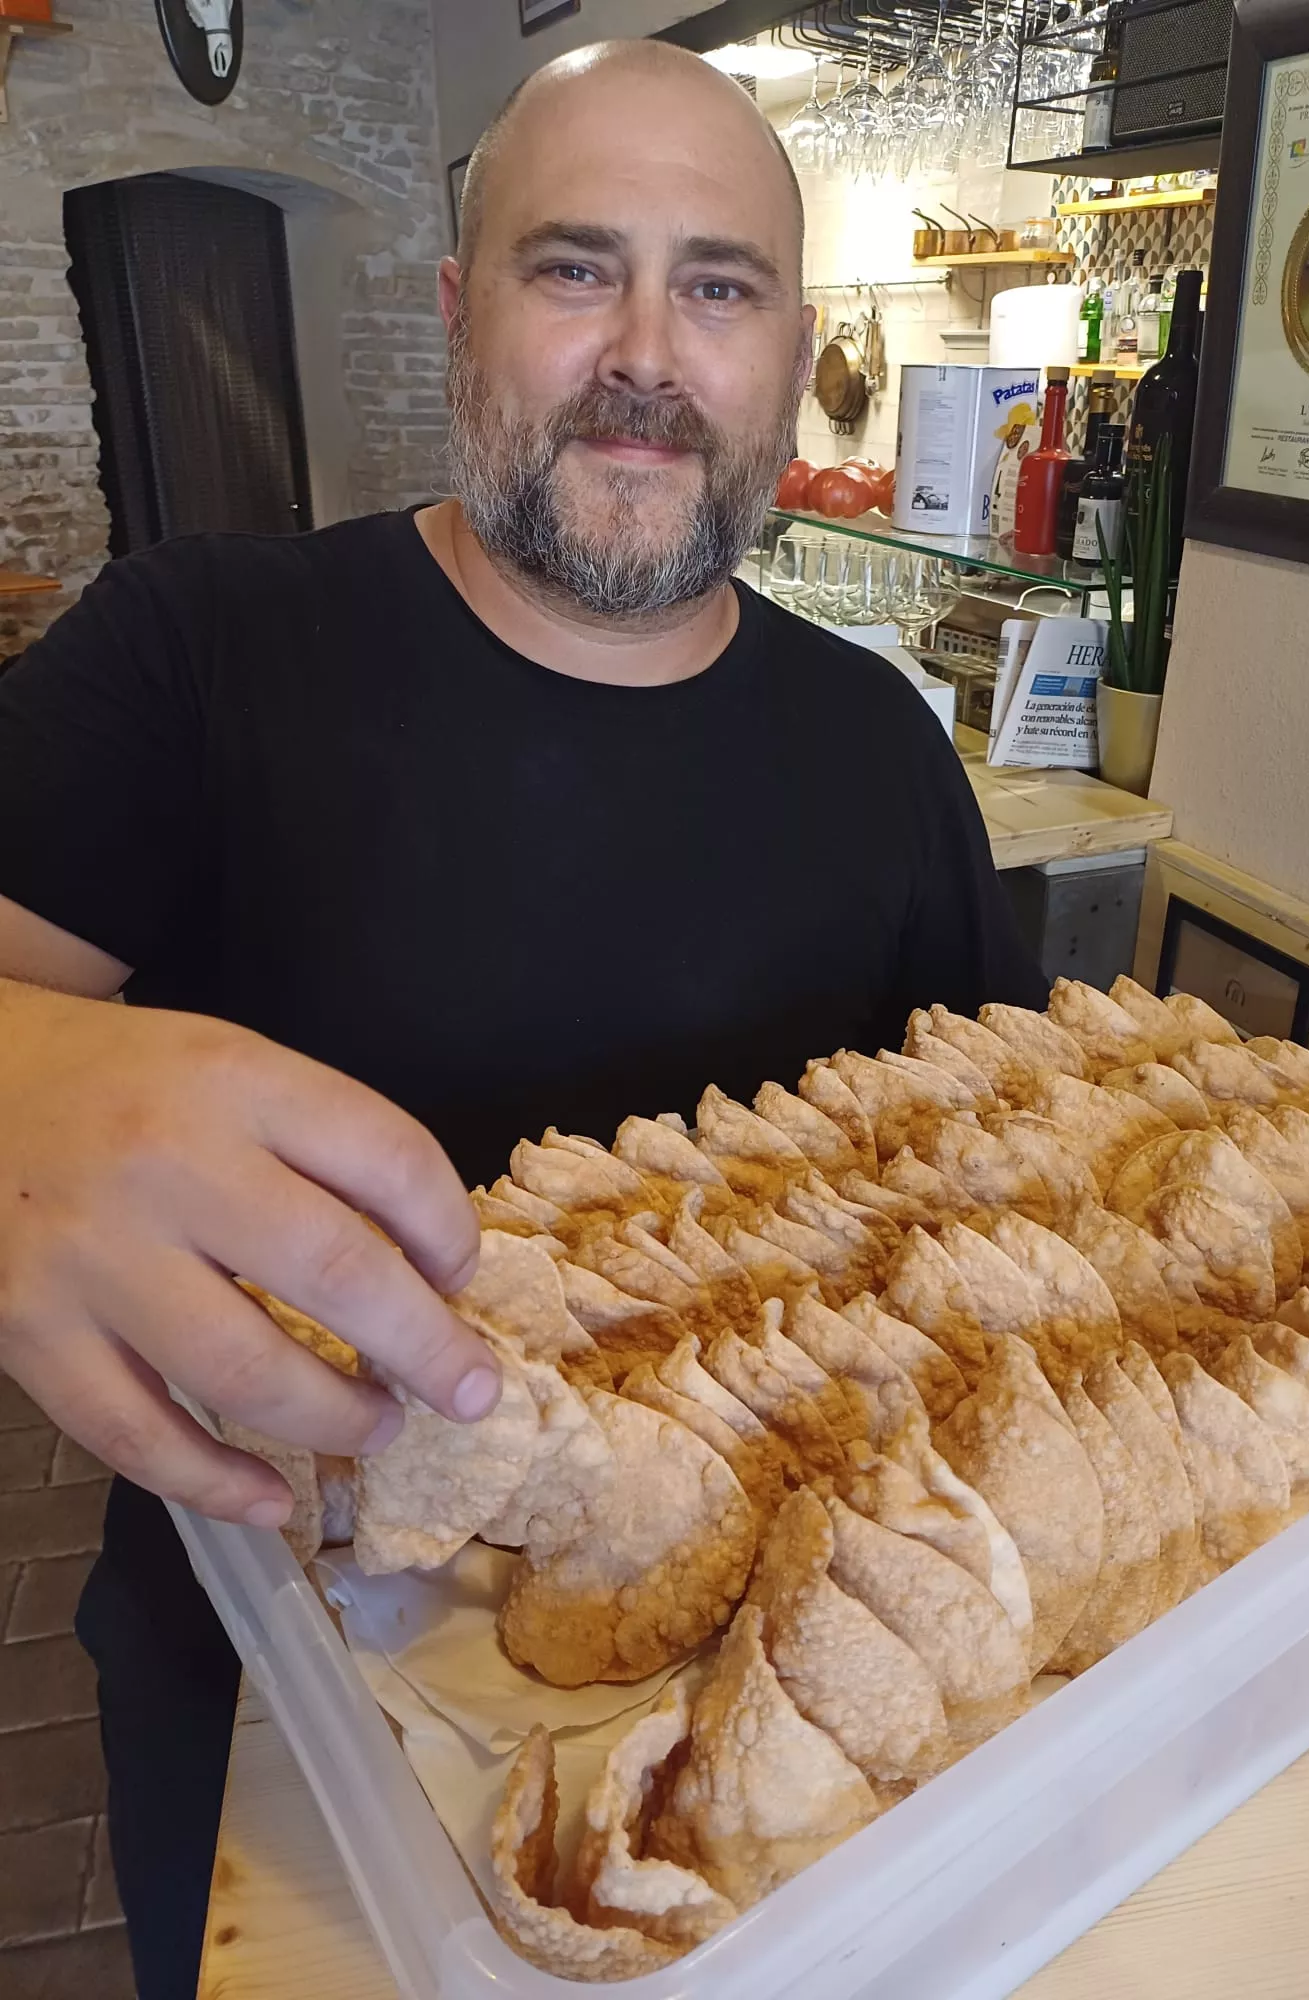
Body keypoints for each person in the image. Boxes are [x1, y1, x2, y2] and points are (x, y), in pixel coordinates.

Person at [0, 39, 1045, 1998]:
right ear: (458, 308)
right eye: (576, 269)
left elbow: (990, 1185)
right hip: (275, 1708)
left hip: (769, 1718)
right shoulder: (194, 650)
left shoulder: (880, 745)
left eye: (717, 288)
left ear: (788, 349)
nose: (646, 355)